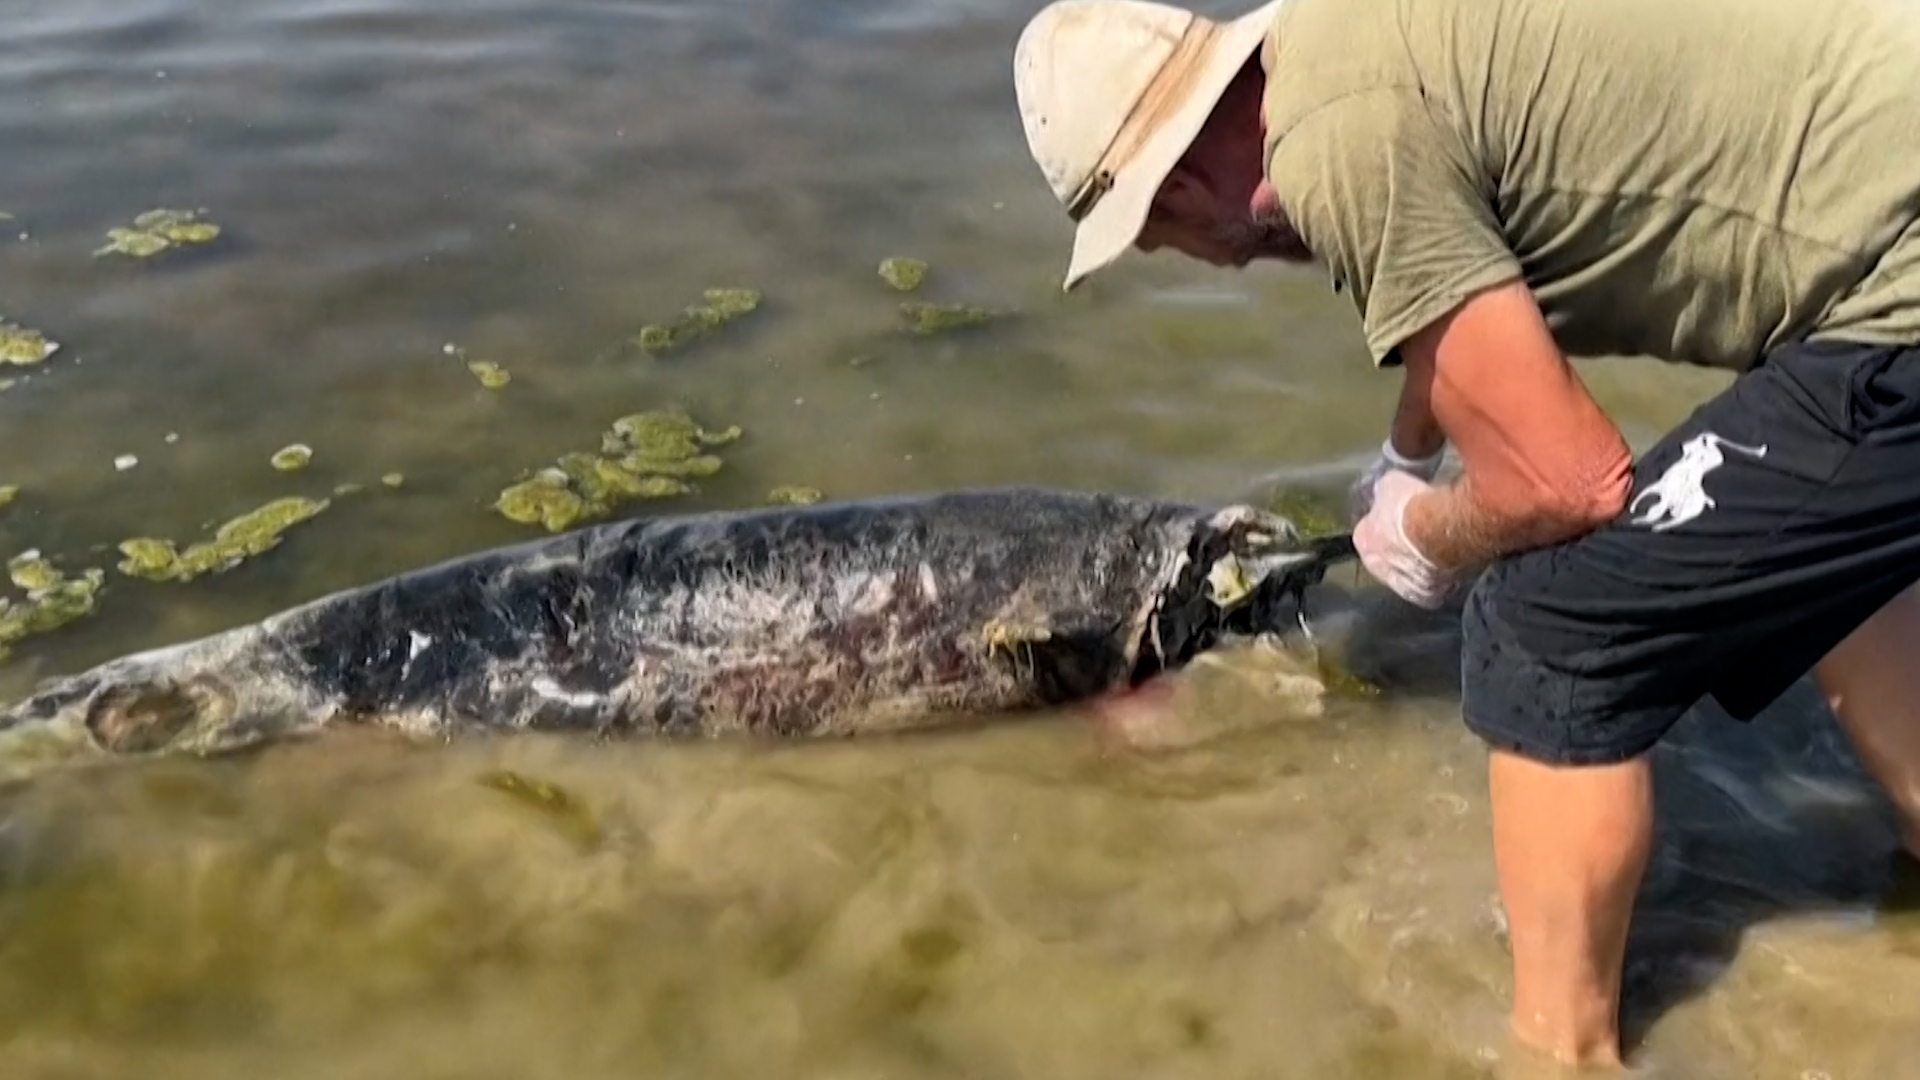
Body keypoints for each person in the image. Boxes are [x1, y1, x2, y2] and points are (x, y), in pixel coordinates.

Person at [1011, 0, 1920, 1067]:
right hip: (1879, 217)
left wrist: (1435, 539)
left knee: (1552, 628)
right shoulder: (1355, 47)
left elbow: (1573, 478)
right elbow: (1476, 285)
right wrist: (1410, 462)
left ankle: (1557, 1051)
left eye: (1162, 240)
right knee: (1807, 533)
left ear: (1182, 189)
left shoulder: (1338, 144)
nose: (1212, 265)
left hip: (1897, 288)